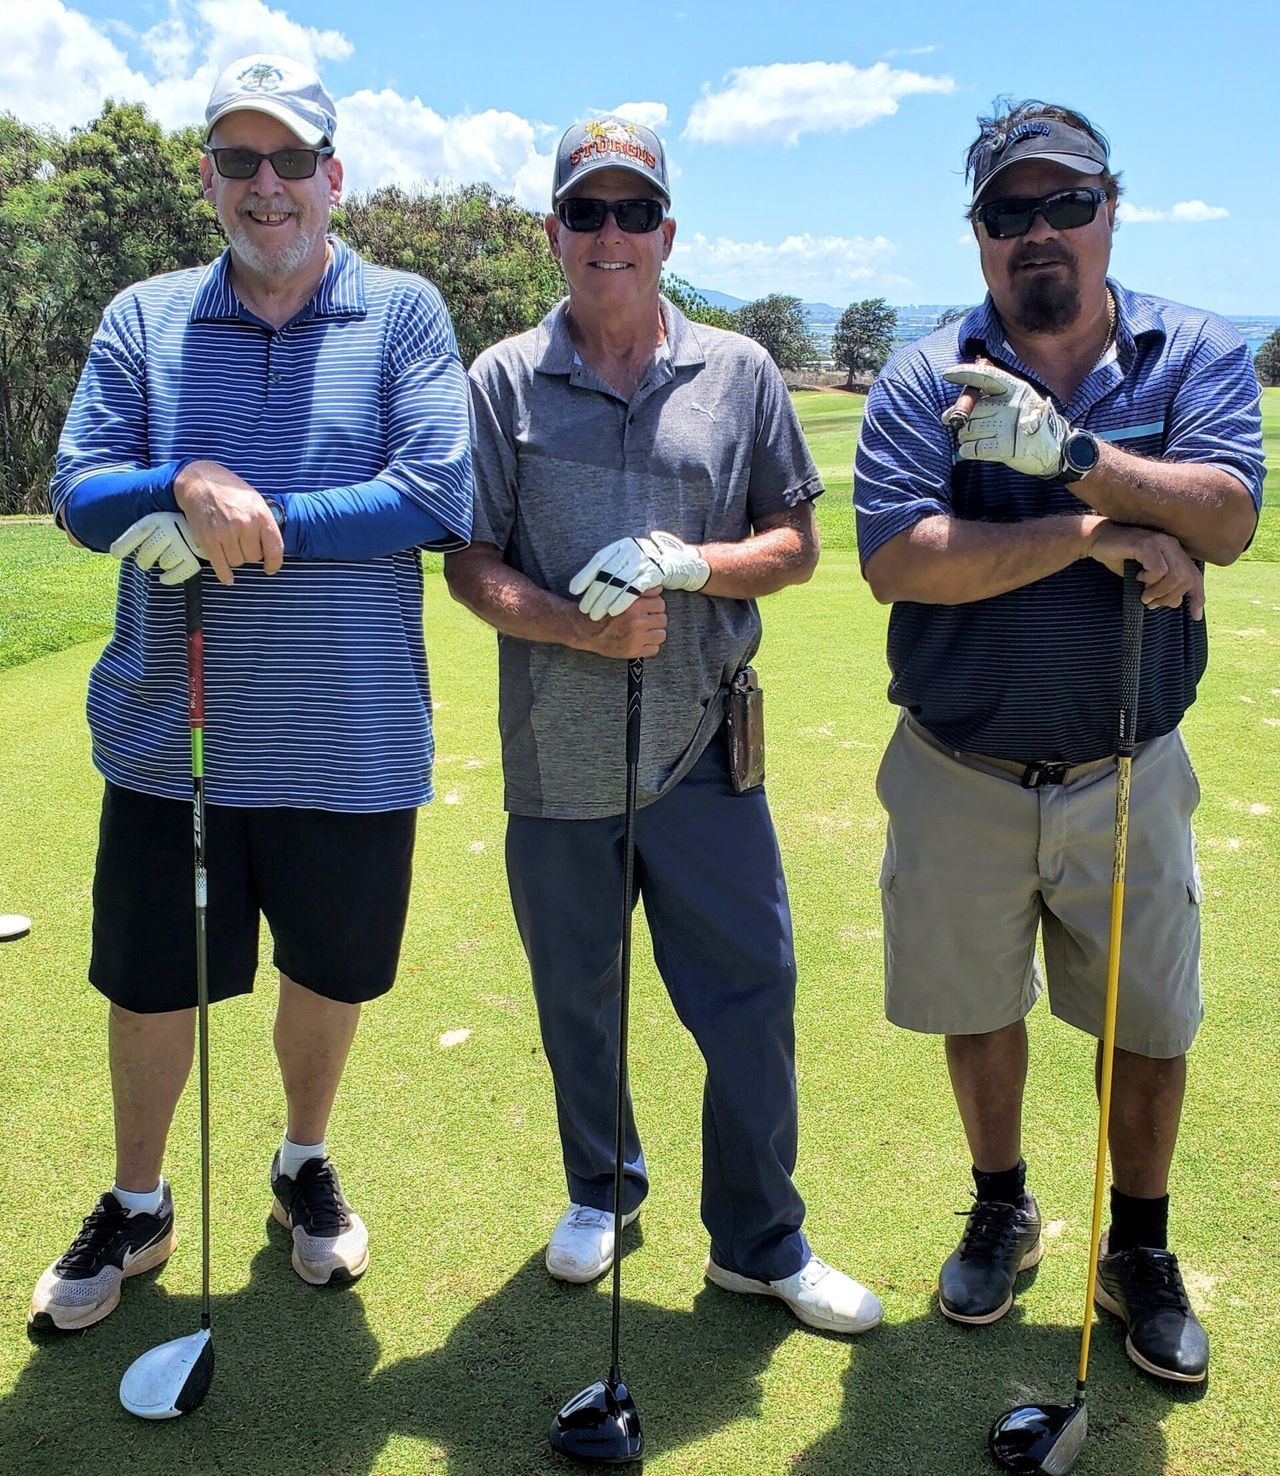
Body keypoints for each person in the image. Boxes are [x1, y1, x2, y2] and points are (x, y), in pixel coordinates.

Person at [31, 53, 472, 1332]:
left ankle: (300, 1163)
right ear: (212, 180)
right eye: (237, 160)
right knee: (155, 980)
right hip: (175, 740)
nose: (264, 186)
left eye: (289, 161)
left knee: (326, 972)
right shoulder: (145, 316)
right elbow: (76, 488)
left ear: (333, 178)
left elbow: (430, 495)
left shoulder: (402, 314)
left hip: (352, 735)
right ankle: (139, 1197)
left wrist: (247, 517)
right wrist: (179, 485)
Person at [445, 115, 881, 1336]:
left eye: (634, 213)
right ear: (554, 233)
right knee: (577, 996)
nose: (611, 235)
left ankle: (758, 1240)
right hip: (556, 755)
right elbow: (469, 566)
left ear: (668, 234)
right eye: (586, 212)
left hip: (703, 744)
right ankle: (600, 1188)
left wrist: (693, 566)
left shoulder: (738, 373)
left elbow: (794, 547)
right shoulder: (499, 382)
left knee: (753, 990)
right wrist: (574, 629)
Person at [854, 100, 1264, 1382]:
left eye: (1063, 205)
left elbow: (1228, 514)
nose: (1038, 233)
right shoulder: (927, 374)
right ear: (978, 236)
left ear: (1108, 211)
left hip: (1126, 763)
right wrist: (1095, 534)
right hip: (957, 764)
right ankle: (1001, 1204)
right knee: (976, 1009)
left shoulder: (1188, 349)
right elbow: (896, 561)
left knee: (1146, 1021)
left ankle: (1134, 1246)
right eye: (1006, 213)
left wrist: (1072, 455)